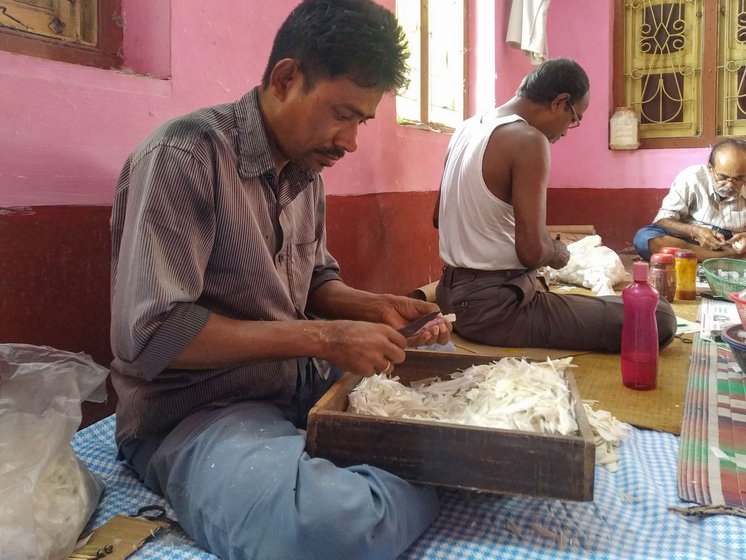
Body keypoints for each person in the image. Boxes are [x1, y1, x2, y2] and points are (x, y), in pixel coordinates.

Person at [109, 2, 451, 559]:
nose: (351, 141)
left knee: (441, 367)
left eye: (362, 120)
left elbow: (315, 281)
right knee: (324, 530)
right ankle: (445, 467)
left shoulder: (306, 168)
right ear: (286, 79)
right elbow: (152, 335)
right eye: (342, 113)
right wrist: (327, 337)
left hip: (296, 384)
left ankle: (429, 459)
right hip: (199, 411)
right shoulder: (183, 155)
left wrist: (375, 308)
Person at [433, 58, 676, 351]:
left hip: (452, 296)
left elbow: (438, 217)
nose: (565, 132)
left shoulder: (467, 128)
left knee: (618, 304)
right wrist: (558, 252)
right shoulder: (528, 139)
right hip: (497, 311)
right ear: (560, 102)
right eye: (574, 118)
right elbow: (532, 251)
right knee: (656, 314)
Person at [633, 139, 746, 261]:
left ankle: (713, 257)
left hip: (732, 242)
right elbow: (663, 220)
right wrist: (695, 231)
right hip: (690, 240)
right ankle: (724, 258)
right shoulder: (692, 177)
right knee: (644, 238)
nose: (729, 185)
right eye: (722, 177)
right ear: (710, 168)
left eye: (739, 178)